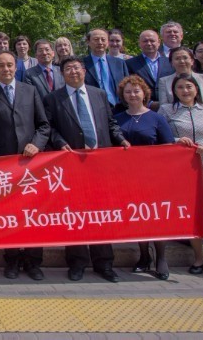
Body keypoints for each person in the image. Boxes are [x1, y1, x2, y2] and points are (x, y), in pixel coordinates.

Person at [44, 56, 130, 283]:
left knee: (100, 213)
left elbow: (110, 123)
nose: (73, 72)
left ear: (84, 70)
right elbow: (49, 128)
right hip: (71, 163)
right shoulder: (53, 98)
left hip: (100, 163)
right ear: (62, 74)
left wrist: (120, 139)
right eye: (68, 69)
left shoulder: (98, 94)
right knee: (74, 214)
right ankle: (77, 262)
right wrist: (60, 142)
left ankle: (104, 262)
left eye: (77, 68)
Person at [0, 50, 50, 281]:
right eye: (1, 66)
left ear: (16, 67)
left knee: (32, 215)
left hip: (31, 164)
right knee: (9, 215)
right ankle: (11, 260)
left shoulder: (29, 91)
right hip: (4, 167)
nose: (6, 69)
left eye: (10, 65)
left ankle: (33, 261)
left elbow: (43, 125)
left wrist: (35, 145)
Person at [159, 73, 203, 282]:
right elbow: (164, 136)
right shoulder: (167, 110)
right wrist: (179, 140)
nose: (185, 91)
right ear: (174, 91)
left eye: (189, 87)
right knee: (191, 214)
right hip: (184, 170)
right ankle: (199, 258)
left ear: (196, 89)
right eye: (180, 87)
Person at [114, 75, 175, 280]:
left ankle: (161, 258)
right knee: (137, 216)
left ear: (144, 93)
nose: (132, 94)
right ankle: (143, 255)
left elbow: (168, 146)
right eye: (128, 91)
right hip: (128, 176)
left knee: (155, 217)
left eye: (136, 91)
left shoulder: (156, 118)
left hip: (153, 176)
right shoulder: (118, 118)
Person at [158, 47, 203, 114]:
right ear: (171, 63)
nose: (182, 61)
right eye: (177, 59)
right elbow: (163, 107)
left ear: (192, 61)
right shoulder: (164, 81)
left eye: (185, 58)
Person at [83, 28, 130, 111]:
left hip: (119, 108)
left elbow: (127, 85)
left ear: (107, 42)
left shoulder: (120, 63)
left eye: (103, 39)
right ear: (88, 42)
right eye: (96, 39)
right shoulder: (82, 64)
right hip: (94, 109)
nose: (100, 42)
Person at [125, 30, 174, 102]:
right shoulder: (129, 64)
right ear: (139, 43)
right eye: (145, 41)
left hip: (169, 105)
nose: (149, 43)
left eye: (152, 40)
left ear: (159, 42)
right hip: (143, 106)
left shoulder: (170, 62)